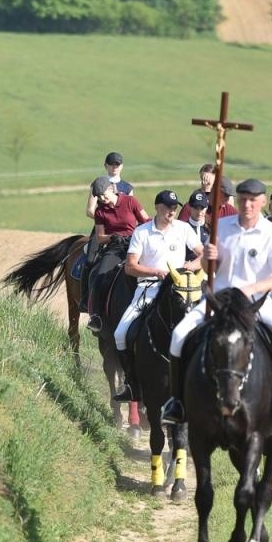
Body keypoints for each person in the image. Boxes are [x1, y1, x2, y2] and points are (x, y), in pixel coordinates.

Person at [161, 178, 272, 429]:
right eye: (243, 199)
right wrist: (208, 260)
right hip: (219, 300)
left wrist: (254, 287)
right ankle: (177, 402)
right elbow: (212, 269)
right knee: (178, 334)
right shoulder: (222, 226)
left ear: (262, 202)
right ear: (236, 201)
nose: (248, 205)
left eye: (253, 200)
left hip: (256, 302)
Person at [111, 190, 202, 402]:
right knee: (120, 334)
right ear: (157, 207)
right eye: (168, 207)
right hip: (150, 288)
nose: (172, 211)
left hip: (178, 290)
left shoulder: (183, 228)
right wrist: (156, 272)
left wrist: (192, 265)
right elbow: (130, 267)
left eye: (174, 207)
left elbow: (203, 253)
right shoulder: (142, 232)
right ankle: (132, 384)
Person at [84, 175, 147, 334]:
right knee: (99, 276)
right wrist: (112, 237)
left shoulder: (130, 202)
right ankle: (96, 317)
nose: (102, 199)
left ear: (111, 189)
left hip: (135, 245)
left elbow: (146, 220)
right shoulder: (100, 211)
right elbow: (99, 237)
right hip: (114, 247)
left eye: (104, 194)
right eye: (98, 197)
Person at [85, 152, 133, 222]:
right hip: (102, 226)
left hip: (122, 228)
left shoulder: (128, 188)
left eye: (117, 164)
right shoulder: (97, 184)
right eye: (111, 164)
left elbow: (130, 211)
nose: (114, 167)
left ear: (122, 166)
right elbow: (89, 211)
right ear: (105, 165)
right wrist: (106, 222)